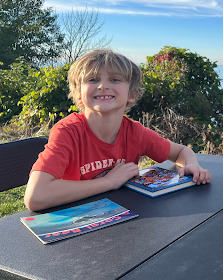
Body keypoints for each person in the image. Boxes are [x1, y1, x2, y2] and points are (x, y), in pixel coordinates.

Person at [24, 49, 211, 212]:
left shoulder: (134, 132)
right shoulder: (68, 132)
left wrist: (192, 165)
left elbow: (181, 151)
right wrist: (109, 182)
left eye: (114, 79)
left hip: (124, 222)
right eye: (92, 79)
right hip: (76, 224)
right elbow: (36, 196)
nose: (102, 86)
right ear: (78, 95)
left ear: (132, 94)